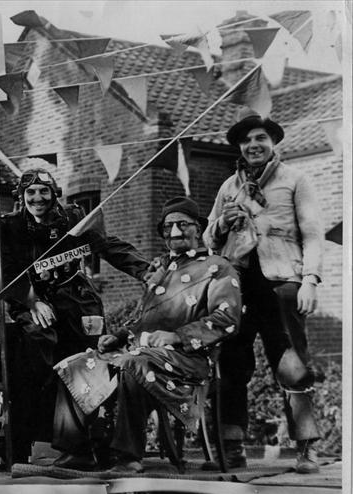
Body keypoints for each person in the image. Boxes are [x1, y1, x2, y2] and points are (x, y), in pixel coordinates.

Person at [0, 167, 149, 465]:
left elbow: (108, 245)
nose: (38, 198)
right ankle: (35, 442)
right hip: (34, 303)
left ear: (54, 194)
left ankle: (93, 444)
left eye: (44, 191)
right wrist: (32, 301)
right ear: (22, 197)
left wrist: (145, 271)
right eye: (31, 192)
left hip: (77, 300)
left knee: (88, 363)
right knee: (39, 359)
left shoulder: (74, 218)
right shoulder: (8, 227)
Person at [73, 196, 242, 473]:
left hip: (189, 360)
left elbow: (227, 320)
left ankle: (127, 457)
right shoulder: (161, 270)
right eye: (168, 226)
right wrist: (117, 336)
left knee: (133, 362)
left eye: (183, 225)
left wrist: (176, 336)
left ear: (198, 229)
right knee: (79, 363)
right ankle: (77, 452)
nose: (175, 232)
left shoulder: (217, 267)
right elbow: (143, 320)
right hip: (147, 354)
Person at [203, 108, 324, 473]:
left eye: (260, 138)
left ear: (272, 143)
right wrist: (223, 222)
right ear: (240, 146)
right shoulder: (230, 186)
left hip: (282, 283)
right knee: (231, 363)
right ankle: (232, 446)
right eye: (247, 140)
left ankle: (306, 449)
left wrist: (311, 280)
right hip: (237, 287)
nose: (254, 145)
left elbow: (313, 234)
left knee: (290, 362)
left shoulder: (295, 179)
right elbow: (209, 236)